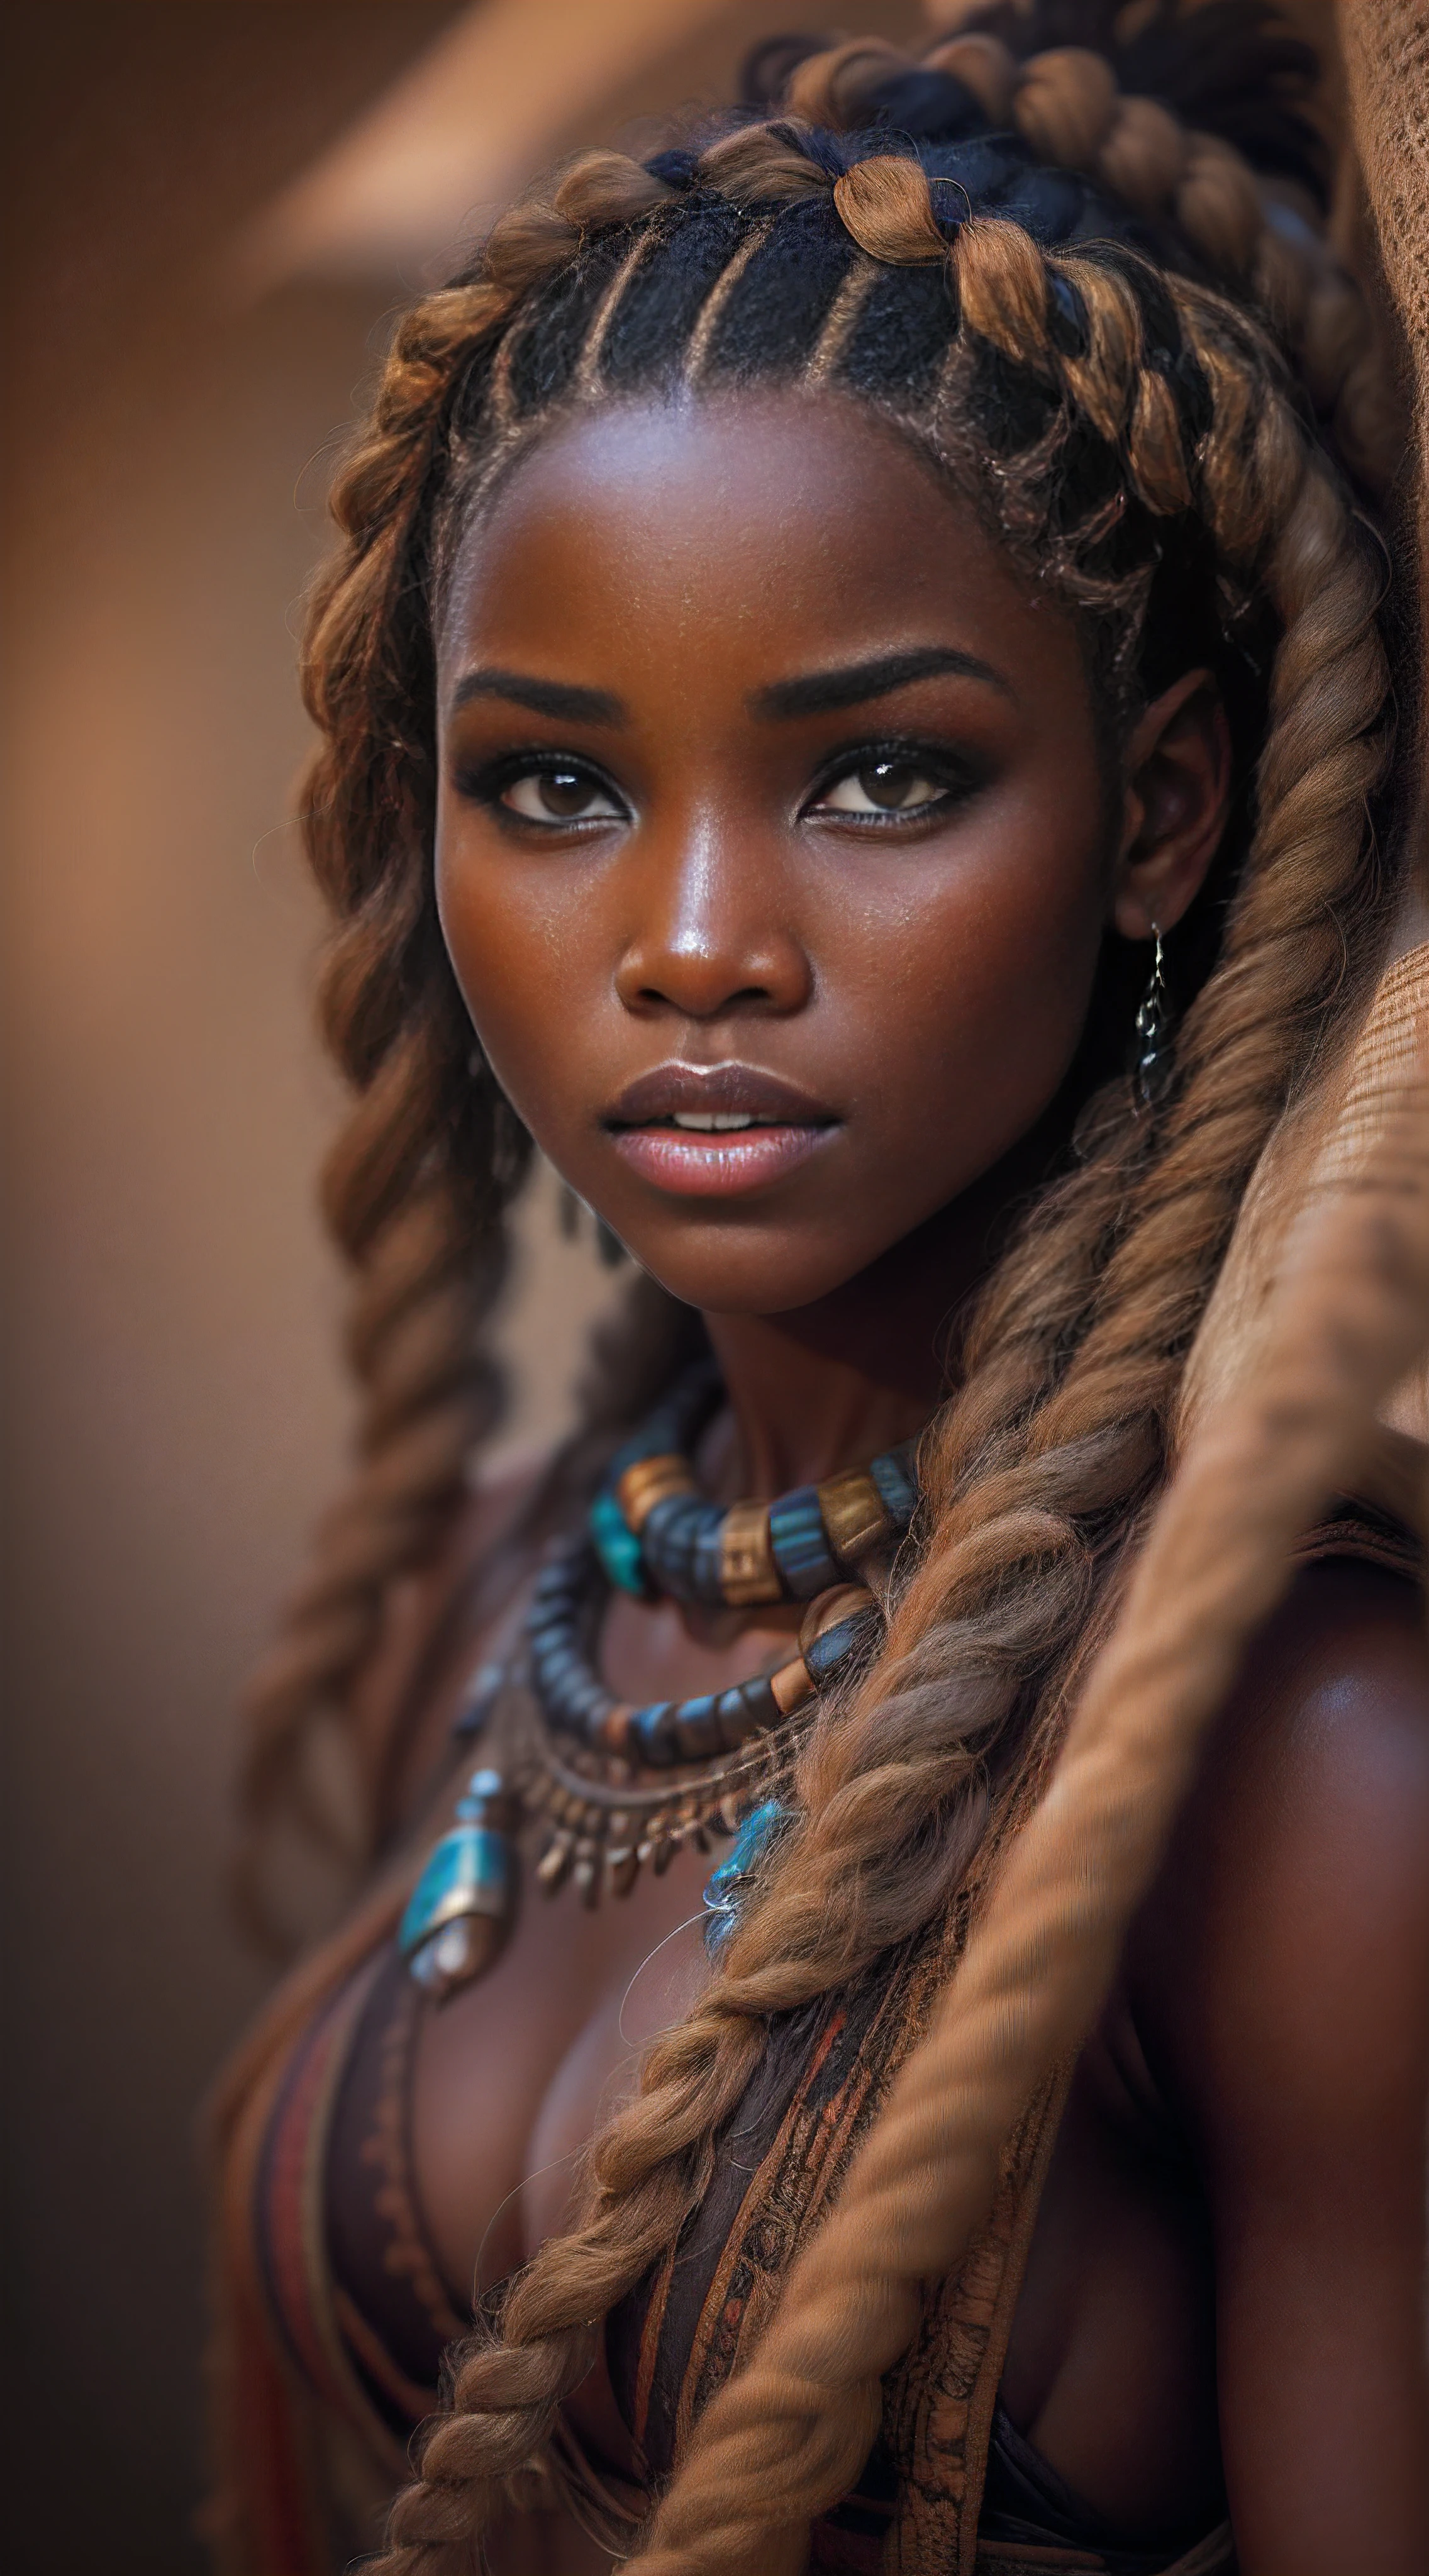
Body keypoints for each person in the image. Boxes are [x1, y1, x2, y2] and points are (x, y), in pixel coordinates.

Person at [207, 9, 1429, 2572]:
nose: (686, 948)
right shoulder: (514, 1584)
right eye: (549, 784)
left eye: (880, 774)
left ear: (1162, 808)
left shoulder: (1301, 1762)